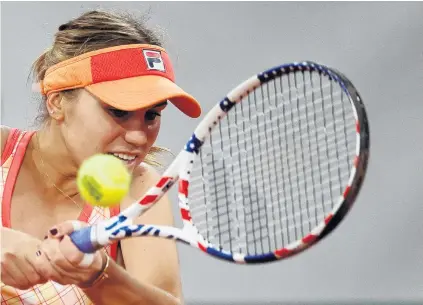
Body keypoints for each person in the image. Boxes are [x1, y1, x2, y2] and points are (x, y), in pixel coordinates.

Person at [0, 9, 201, 305]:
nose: (138, 136)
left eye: (152, 115)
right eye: (118, 111)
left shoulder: (141, 191)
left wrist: (98, 275)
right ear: (56, 102)